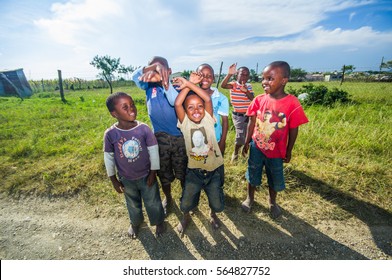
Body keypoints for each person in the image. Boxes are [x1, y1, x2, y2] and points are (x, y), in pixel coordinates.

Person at [242, 61, 309, 219]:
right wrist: (246, 142)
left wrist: (289, 149)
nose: (264, 82)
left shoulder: (292, 103)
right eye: (263, 78)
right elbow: (251, 122)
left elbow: (293, 128)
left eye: (270, 78)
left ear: (284, 80)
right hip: (257, 147)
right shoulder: (258, 100)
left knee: (274, 176)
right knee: (253, 173)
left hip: (277, 151)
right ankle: (250, 198)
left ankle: (272, 202)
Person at [103, 92, 165, 238]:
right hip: (126, 178)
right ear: (114, 114)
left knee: (153, 201)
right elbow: (109, 157)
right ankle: (135, 222)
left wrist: (153, 172)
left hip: (146, 175)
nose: (131, 109)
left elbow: (153, 151)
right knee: (132, 203)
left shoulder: (143, 129)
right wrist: (113, 180)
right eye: (125, 107)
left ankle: (158, 221)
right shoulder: (111, 134)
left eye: (132, 105)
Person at [131, 56, 187, 213]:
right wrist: (151, 70)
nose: (156, 71)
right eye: (152, 68)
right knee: (163, 172)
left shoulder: (176, 88)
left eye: (161, 68)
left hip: (179, 137)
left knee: (182, 170)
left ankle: (185, 196)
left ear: (169, 71)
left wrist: (165, 82)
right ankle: (168, 198)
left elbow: (174, 102)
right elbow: (134, 76)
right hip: (159, 138)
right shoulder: (148, 86)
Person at [173, 73, 225, 233]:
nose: (196, 110)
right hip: (193, 171)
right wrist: (189, 84)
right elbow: (177, 104)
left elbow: (208, 99)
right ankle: (186, 216)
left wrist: (189, 83)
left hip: (214, 169)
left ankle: (213, 214)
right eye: (191, 107)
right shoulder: (185, 123)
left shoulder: (209, 119)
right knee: (186, 202)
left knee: (217, 203)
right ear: (186, 112)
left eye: (199, 106)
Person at [221, 63, 254, 162]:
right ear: (237, 75)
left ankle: (245, 153)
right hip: (239, 116)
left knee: (249, 135)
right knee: (240, 136)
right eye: (242, 74)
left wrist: (246, 91)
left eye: (246, 74)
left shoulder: (249, 86)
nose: (244, 76)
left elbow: (252, 99)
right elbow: (223, 85)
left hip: (250, 115)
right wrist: (229, 74)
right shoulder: (233, 85)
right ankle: (235, 153)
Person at [196, 63, 229, 156]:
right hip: (196, 141)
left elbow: (225, 122)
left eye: (209, 76)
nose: (205, 78)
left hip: (215, 140)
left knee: (215, 167)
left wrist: (222, 142)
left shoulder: (221, 98)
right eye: (202, 75)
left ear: (214, 78)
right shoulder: (191, 97)